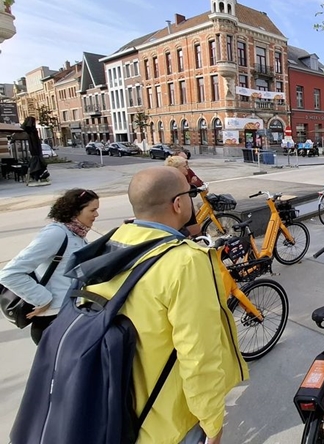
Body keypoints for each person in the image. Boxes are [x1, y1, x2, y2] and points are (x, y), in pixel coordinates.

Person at [84, 166, 247, 444]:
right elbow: (198, 355)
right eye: (189, 195)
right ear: (178, 203)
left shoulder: (113, 242)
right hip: (169, 422)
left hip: (117, 411)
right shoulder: (185, 261)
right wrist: (213, 423)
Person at [0, 188, 99, 344]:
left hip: (68, 315)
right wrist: (43, 299)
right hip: (52, 322)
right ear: (75, 211)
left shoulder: (76, 234)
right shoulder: (56, 234)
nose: (96, 215)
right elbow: (10, 273)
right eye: (92, 210)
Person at [164, 155, 201, 237]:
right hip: (181, 218)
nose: (187, 168)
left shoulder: (178, 178)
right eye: (184, 166)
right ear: (176, 168)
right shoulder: (175, 181)